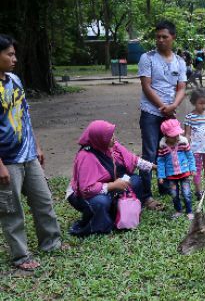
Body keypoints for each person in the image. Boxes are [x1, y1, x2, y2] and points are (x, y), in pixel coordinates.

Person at [0, 34, 65, 271]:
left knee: (43, 200)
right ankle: (20, 256)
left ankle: (52, 242)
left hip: (28, 154)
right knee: (11, 209)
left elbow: (25, 116)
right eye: (9, 54)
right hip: (7, 160)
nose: (14, 58)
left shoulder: (15, 80)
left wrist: (36, 146)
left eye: (14, 53)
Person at [67, 120, 154, 237]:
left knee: (135, 181)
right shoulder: (86, 157)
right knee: (102, 201)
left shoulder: (110, 146)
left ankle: (125, 213)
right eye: (109, 136)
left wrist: (154, 167)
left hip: (108, 183)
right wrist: (113, 186)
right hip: (82, 195)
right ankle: (99, 226)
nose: (113, 138)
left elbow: (133, 159)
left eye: (112, 134)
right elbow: (86, 189)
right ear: (99, 139)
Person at [138, 20, 187, 210]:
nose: (160, 40)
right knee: (149, 153)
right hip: (151, 112)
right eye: (157, 37)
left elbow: (181, 87)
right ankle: (145, 195)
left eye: (164, 37)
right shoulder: (147, 58)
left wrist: (174, 105)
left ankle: (165, 185)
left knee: (168, 149)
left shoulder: (179, 61)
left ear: (172, 37)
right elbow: (146, 85)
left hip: (170, 112)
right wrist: (163, 107)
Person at [157, 119, 196, 220]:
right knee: (174, 194)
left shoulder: (183, 143)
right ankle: (178, 210)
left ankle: (189, 210)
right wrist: (161, 175)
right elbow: (161, 162)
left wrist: (192, 168)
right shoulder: (163, 147)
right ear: (166, 136)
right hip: (171, 175)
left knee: (186, 193)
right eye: (173, 136)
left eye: (177, 135)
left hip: (184, 173)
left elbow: (190, 156)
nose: (176, 137)